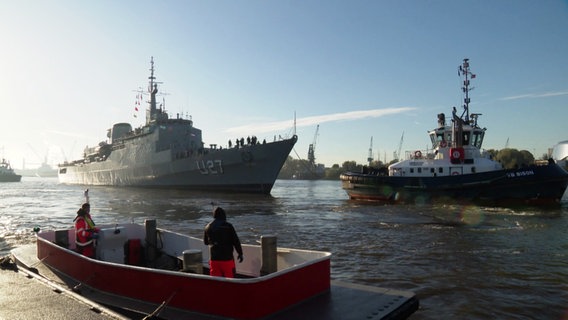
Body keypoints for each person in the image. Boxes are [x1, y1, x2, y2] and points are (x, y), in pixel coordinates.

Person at [203, 207, 243, 278]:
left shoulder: (207, 227)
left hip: (214, 260)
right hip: (227, 259)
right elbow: (236, 241)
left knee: (216, 281)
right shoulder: (228, 226)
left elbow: (206, 242)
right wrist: (240, 253)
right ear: (223, 215)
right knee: (230, 281)